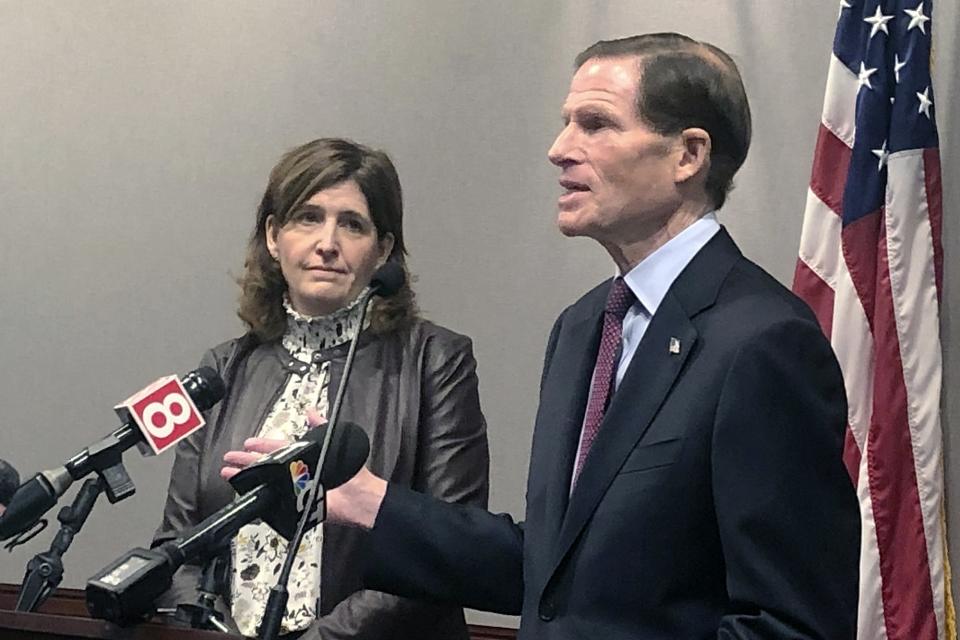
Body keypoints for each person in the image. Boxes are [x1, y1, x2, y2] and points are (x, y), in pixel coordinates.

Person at [285, 34, 860, 639]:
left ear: (688, 155)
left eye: (596, 124)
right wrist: (372, 504)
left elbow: (792, 625)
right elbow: (560, 573)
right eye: (566, 124)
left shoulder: (763, 341)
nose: (560, 150)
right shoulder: (585, 326)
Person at [154, 137, 489, 640]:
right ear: (273, 237)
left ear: (383, 250)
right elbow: (175, 544)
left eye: (352, 224)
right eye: (307, 218)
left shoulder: (436, 361)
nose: (327, 243)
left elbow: (444, 549)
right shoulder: (222, 367)